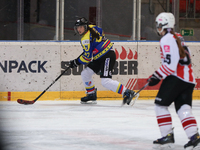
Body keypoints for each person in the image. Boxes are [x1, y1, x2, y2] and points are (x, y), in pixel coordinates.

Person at [147, 12, 200, 150]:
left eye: (159, 25)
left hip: (176, 78)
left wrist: (156, 76)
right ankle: (194, 136)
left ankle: (167, 135)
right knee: (183, 108)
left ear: (164, 26)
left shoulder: (167, 39)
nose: (158, 28)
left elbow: (170, 65)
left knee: (160, 105)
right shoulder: (178, 37)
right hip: (188, 79)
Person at [68, 17, 134, 104]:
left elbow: (87, 57)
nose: (79, 29)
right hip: (99, 56)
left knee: (105, 81)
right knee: (85, 73)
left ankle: (127, 92)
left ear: (85, 26)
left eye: (81, 27)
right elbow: (99, 34)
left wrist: (76, 62)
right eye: (78, 28)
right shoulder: (92, 27)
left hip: (107, 55)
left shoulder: (85, 39)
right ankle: (91, 94)